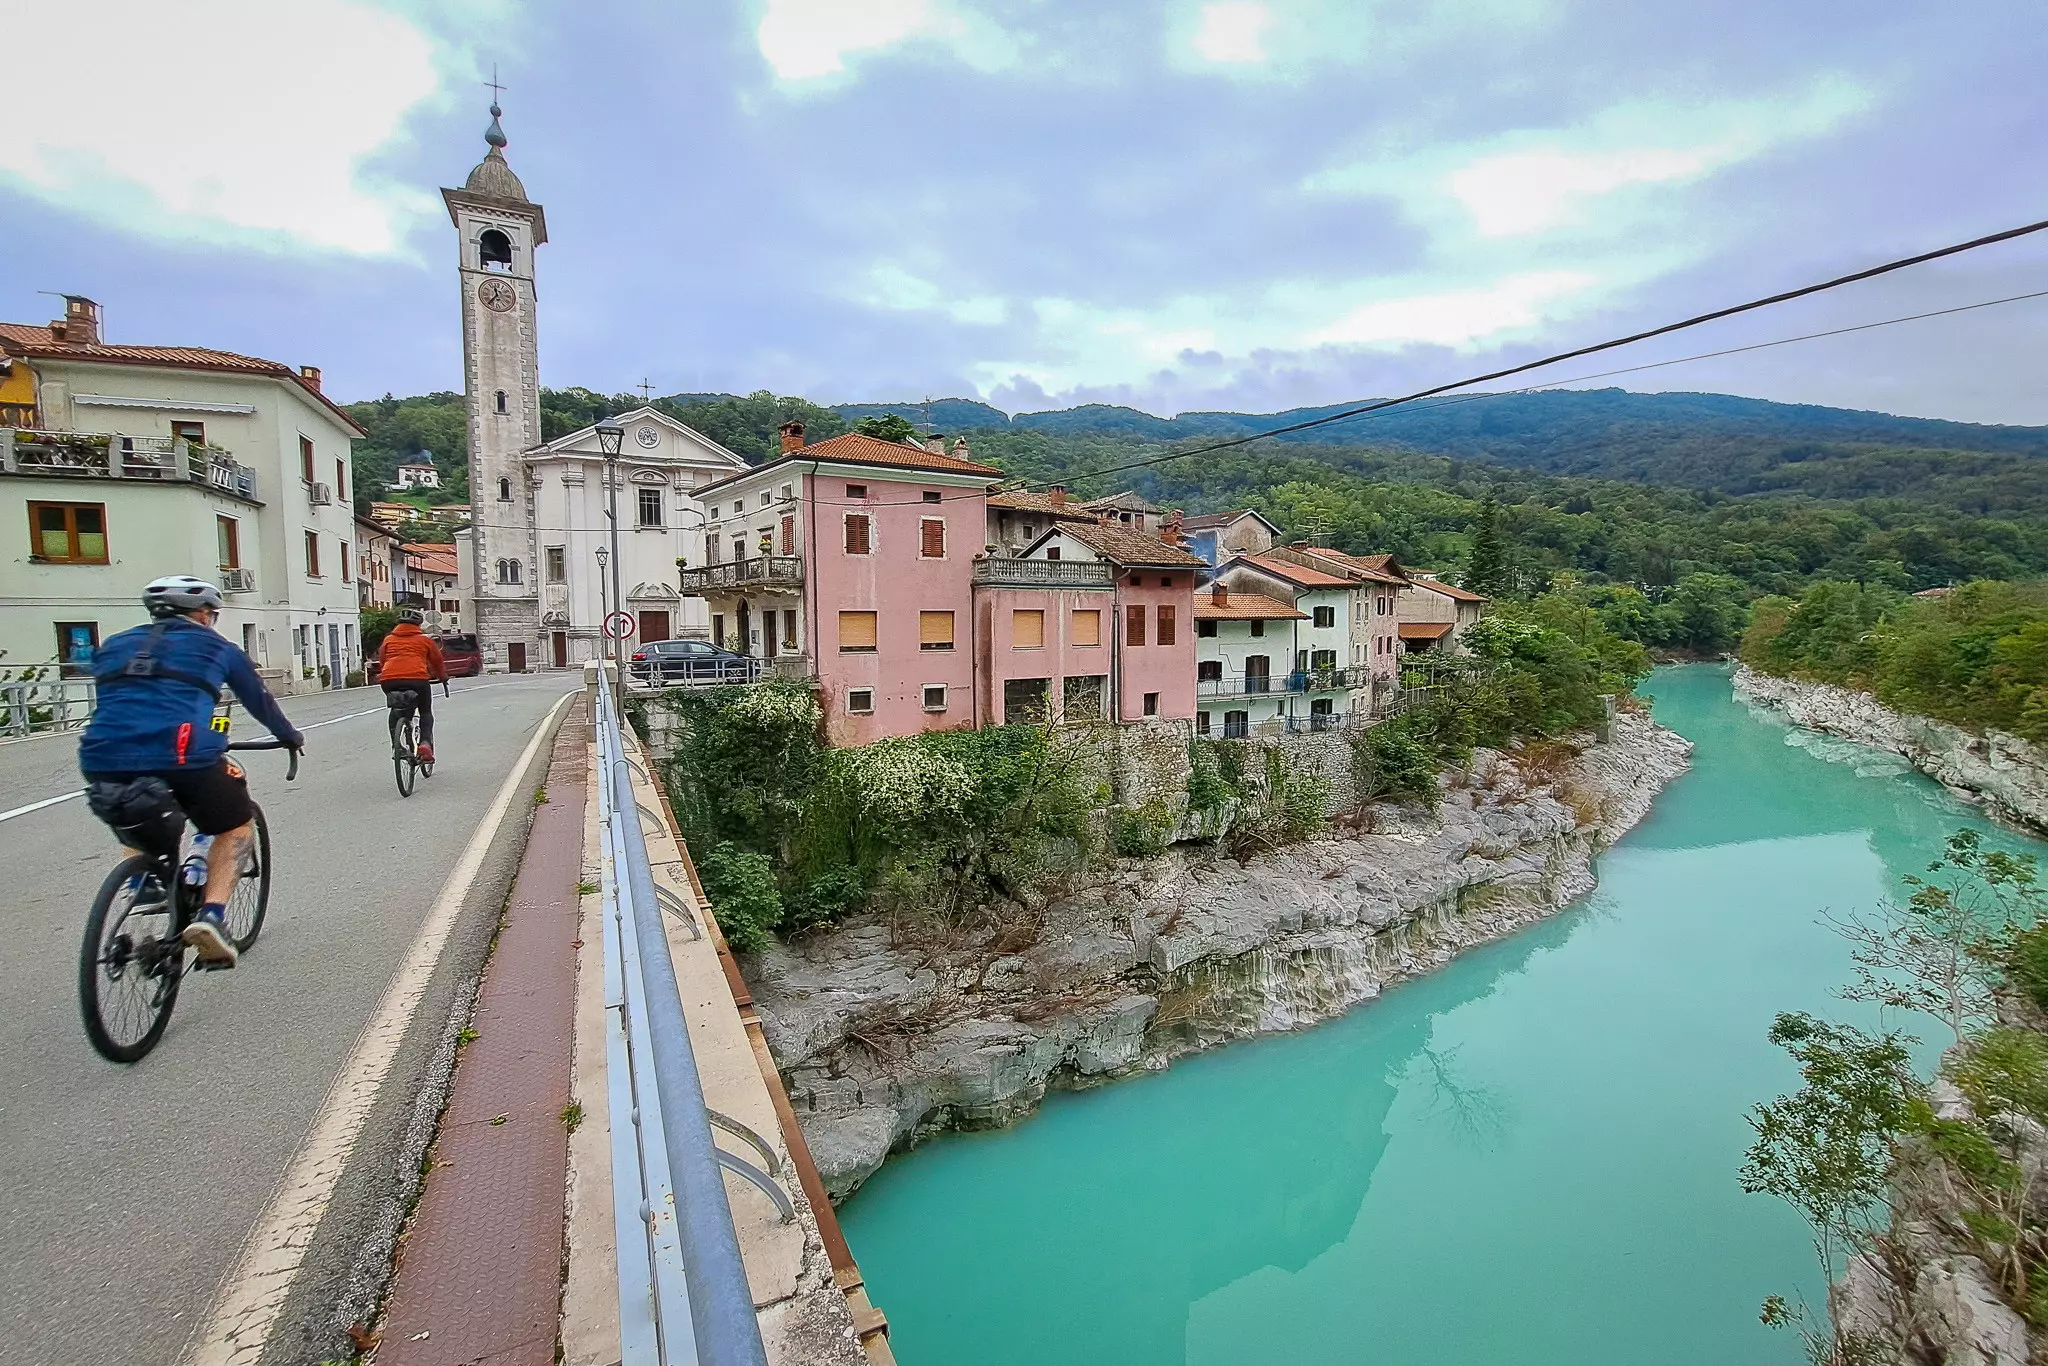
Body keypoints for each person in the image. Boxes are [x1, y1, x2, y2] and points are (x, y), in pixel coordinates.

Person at [79, 576, 305, 968]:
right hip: (183, 753)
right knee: (234, 825)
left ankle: (142, 882)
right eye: (212, 615)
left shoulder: (114, 645)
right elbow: (259, 700)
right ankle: (212, 918)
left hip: (103, 754)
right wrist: (289, 736)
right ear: (202, 614)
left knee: (137, 812)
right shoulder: (217, 647)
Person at [375, 609, 446, 763]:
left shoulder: (388, 640)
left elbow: (382, 660)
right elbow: (437, 661)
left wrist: (388, 674)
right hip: (417, 679)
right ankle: (425, 744)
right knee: (425, 711)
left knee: (395, 711)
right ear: (418, 625)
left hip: (389, 680)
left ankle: (397, 746)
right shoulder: (425, 641)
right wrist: (442, 677)